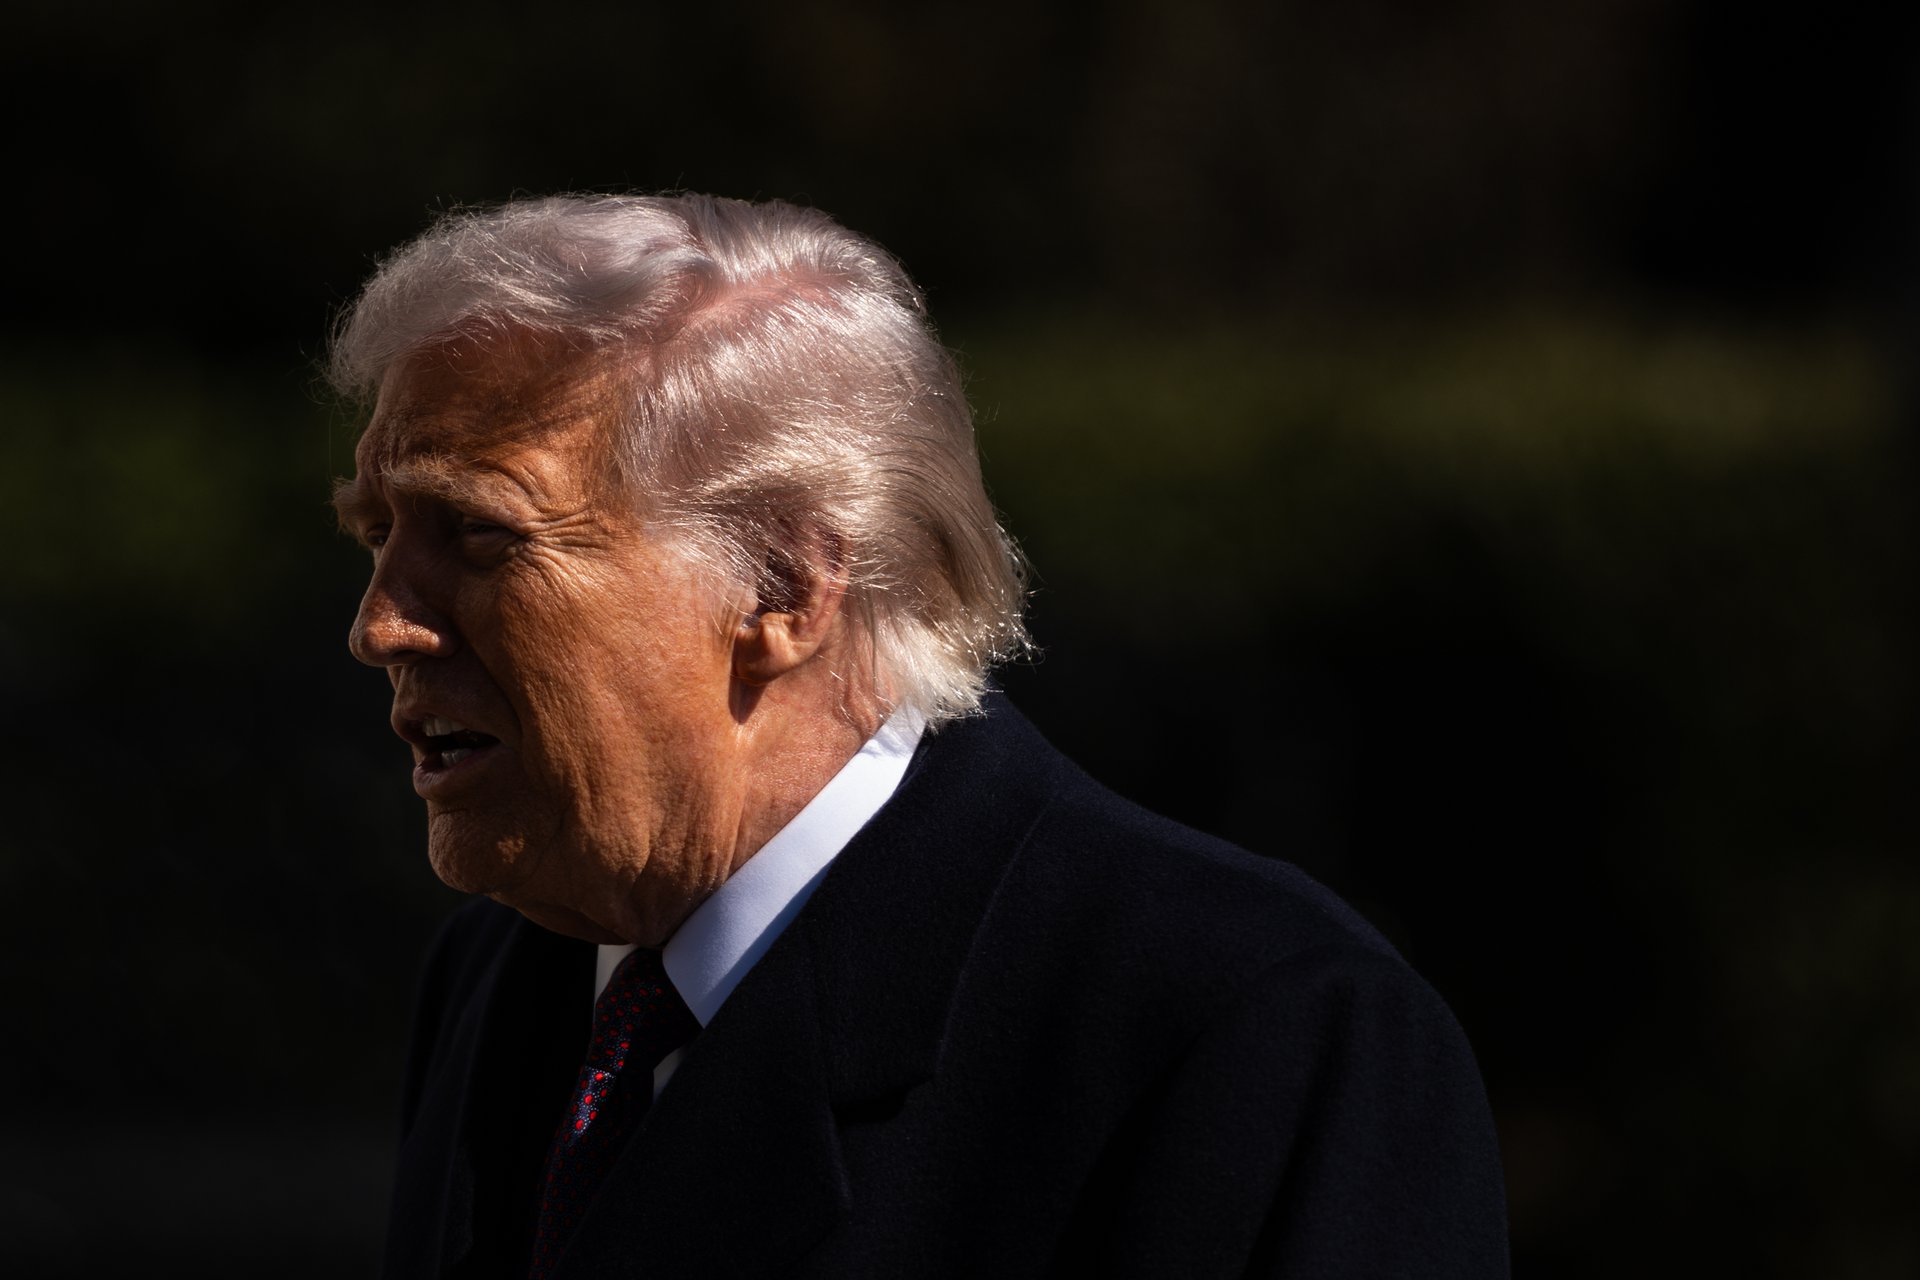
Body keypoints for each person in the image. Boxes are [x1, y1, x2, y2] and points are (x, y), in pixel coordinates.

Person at [329, 193, 1508, 1279]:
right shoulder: (506, 972)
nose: (381, 624)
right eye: (376, 533)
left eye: (481, 536)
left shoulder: (1259, 1032)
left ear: (786, 586)